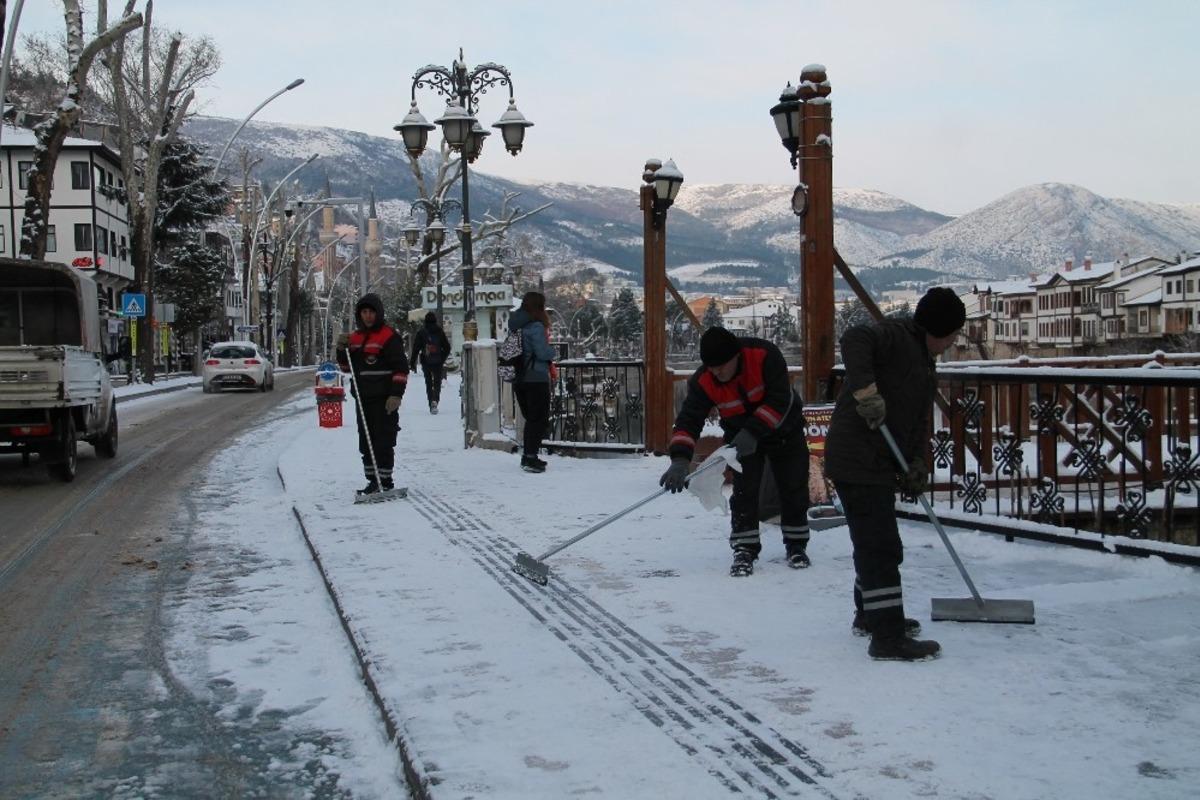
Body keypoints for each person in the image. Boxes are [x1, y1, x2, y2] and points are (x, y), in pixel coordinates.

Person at [824, 286, 965, 662]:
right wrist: (866, 392)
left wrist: (918, 462)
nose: (952, 343)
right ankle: (887, 636)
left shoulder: (923, 360)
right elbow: (854, 338)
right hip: (858, 458)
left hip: (878, 461)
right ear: (938, 330)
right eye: (951, 336)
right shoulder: (896, 336)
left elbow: (916, 421)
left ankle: (872, 616)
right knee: (880, 547)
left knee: (877, 543)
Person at [659, 327, 810, 577]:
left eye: (722, 366)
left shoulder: (764, 355)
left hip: (784, 429)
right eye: (711, 367)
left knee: (793, 485)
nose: (717, 372)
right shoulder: (704, 380)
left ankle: (796, 544)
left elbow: (780, 400)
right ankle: (744, 548)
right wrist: (679, 459)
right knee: (744, 491)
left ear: (737, 356)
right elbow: (689, 420)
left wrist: (753, 432)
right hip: (740, 437)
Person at [336, 293, 409, 495]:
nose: (368, 316)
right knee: (366, 441)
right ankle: (372, 480)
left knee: (383, 440)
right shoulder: (356, 338)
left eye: (371, 312)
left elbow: (401, 368)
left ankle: (384, 480)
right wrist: (342, 350)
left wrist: (396, 395)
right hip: (363, 398)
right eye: (364, 312)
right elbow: (346, 368)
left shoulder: (388, 337)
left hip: (385, 399)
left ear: (378, 313)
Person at [508, 291, 557, 473]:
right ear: (538, 307)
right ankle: (530, 457)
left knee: (531, 418)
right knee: (539, 419)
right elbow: (543, 353)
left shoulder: (515, 325)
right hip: (535, 377)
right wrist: (552, 353)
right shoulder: (535, 326)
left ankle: (529, 455)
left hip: (519, 376)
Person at [410, 312, 451, 414]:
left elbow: (416, 348)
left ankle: (430, 403)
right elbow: (447, 347)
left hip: (426, 361)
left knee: (428, 383)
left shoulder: (422, 332)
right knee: (437, 382)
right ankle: (435, 400)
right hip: (438, 362)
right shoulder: (439, 332)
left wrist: (412, 363)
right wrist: (442, 358)